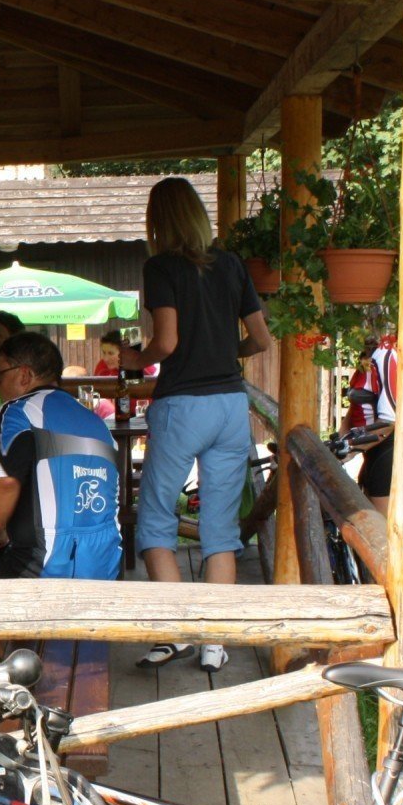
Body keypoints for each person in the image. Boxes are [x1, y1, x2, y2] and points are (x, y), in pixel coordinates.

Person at [124, 177, 274, 674]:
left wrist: (133, 359)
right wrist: (224, 351)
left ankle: (175, 633)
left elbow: (165, 342)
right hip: (230, 405)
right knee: (220, 528)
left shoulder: (160, 266)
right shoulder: (231, 264)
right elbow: (261, 338)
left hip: (182, 405)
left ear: (157, 220)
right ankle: (214, 642)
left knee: (156, 522)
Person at [0, 333, 123, 581]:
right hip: (104, 565)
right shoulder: (95, 421)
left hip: (43, 566)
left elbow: (5, 481)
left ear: (24, 375)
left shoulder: (18, 410)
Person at [353, 335, 397, 515]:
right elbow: (356, 405)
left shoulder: (386, 354)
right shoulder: (368, 357)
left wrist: (350, 449)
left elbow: (388, 422)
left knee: (380, 532)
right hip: (370, 450)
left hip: (385, 449)